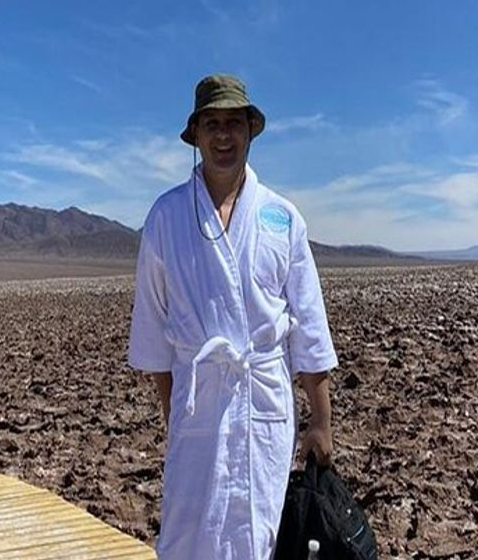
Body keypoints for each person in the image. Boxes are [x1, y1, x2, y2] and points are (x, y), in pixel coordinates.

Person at [128, 74, 339, 560]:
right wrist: (177, 414)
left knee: (256, 532)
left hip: (262, 401)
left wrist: (321, 420)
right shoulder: (166, 217)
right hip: (197, 403)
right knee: (185, 533)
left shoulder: (282, 218)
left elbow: (308, 324)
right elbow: (154, 331)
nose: (224, 136)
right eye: (212, 124)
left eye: (234, 124)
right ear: (196, 135)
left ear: (250, 131)